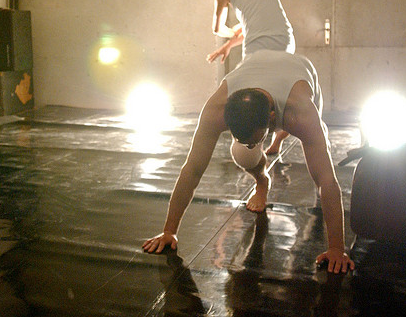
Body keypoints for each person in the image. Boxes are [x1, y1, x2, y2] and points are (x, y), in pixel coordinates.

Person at [143, 50, 355, 274]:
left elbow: (326, 180)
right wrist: (169, 231)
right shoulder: (216, 109)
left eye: (255, 141)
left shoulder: (300, 111)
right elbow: (192, 169)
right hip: (255, 61)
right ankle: (262, 182)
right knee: (243, 155)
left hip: (300, 68)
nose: (252, 146)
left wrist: (336, 248)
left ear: (272, 118)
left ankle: (281, 137)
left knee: (319, 153)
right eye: (243, 140)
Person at [209, 0, 296, 154]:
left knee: (251, 96)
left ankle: (251, 143)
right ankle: (277, 140)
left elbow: (217, 29)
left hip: (259, 47)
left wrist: (231, 32)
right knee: (280, 92)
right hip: (286, 41)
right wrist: (229, 45)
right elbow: (257, 28)